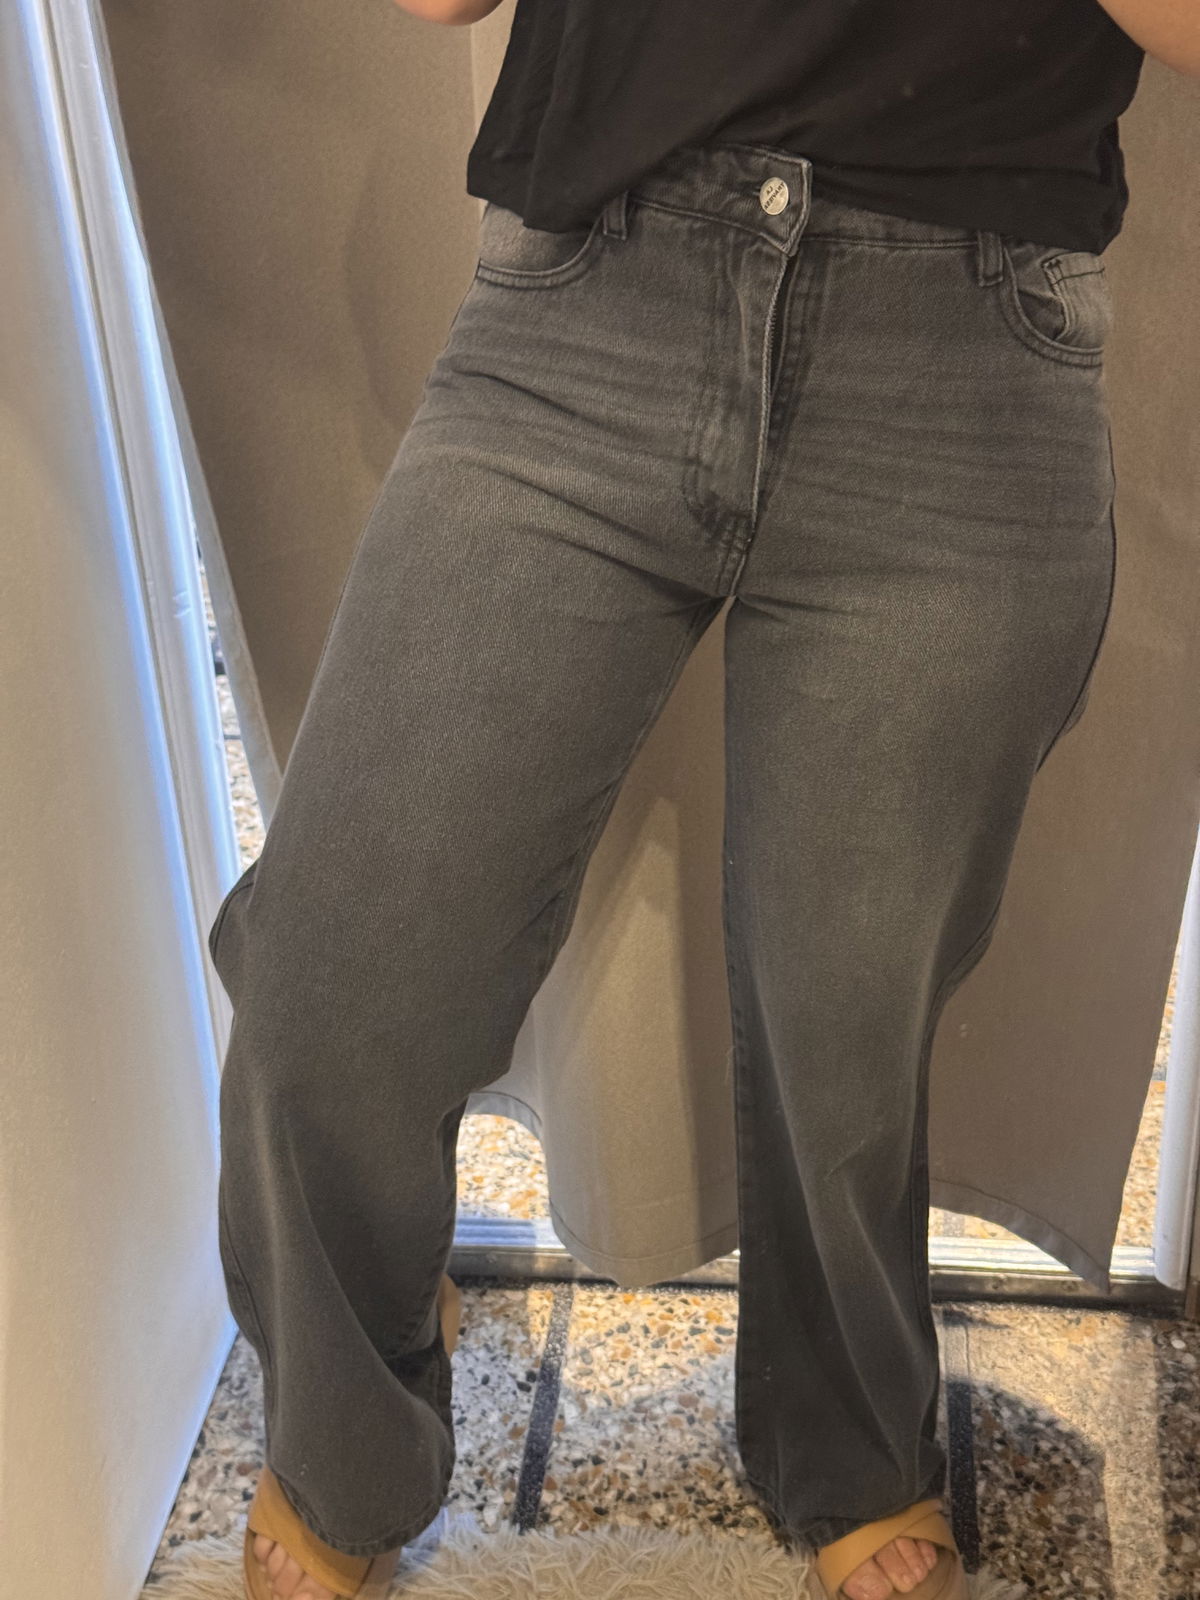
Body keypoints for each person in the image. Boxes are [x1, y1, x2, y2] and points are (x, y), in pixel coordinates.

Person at [208, 3, 1165, 1597]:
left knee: (844, 1018)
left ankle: (851, 1440)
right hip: (593, 299)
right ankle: (344, 1435)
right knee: (336, 981)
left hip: (965, 340)